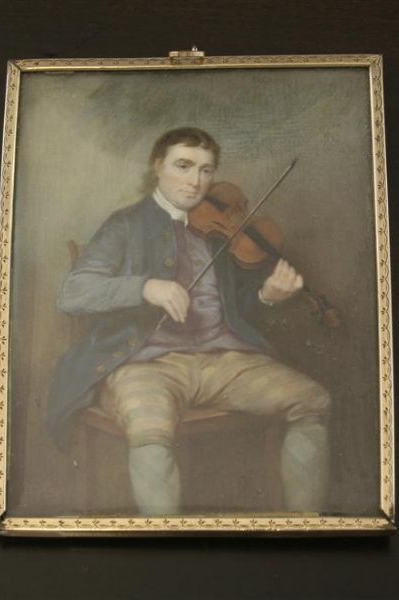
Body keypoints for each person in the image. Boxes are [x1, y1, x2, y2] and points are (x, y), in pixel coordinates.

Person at [48, 127, 330, 516]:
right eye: (183, 166)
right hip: (143, 363)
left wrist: (268, 295)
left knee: (312, 400)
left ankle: (306, 528)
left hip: (223, 359)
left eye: (206, 170)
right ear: (157, 166)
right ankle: (164, 540)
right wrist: (145, 287)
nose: (195, 181)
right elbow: (73, 292)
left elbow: (236, 308)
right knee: (149, 429)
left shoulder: (217, 232)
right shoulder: (125, 225)